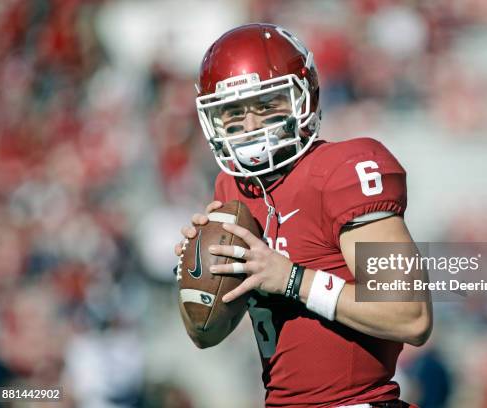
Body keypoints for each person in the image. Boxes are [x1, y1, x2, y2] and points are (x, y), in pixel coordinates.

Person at [174, 23, 432, 408]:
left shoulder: (344, 169)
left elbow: (410, 314)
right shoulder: (233, 189)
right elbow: (205, 335)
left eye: (265, 106)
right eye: (233, 112)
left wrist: (294, 279)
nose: (249, 126)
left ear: (303, 97)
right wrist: (199, 274)